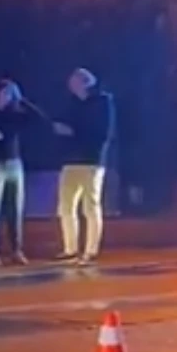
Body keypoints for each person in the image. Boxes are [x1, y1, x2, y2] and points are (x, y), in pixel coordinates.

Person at [50, 67, 117, 264]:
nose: (71, 86)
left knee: (91, 206)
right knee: (66, 207)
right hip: (71, 160)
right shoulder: (72, 104)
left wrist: (72, 132)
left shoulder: (103, 102)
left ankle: (90, 250)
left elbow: (102, 134)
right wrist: (62, 131)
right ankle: (70, 248)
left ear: (85, 82)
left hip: (92, 161)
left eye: (75, 82)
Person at [0, 79, 37, 266]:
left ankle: (16, 250)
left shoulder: (16, 115)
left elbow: (38, 118)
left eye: (8, 94)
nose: (3, 98)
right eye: (1, 94)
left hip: (15, 164)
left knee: (15, 210)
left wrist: (22, 100)